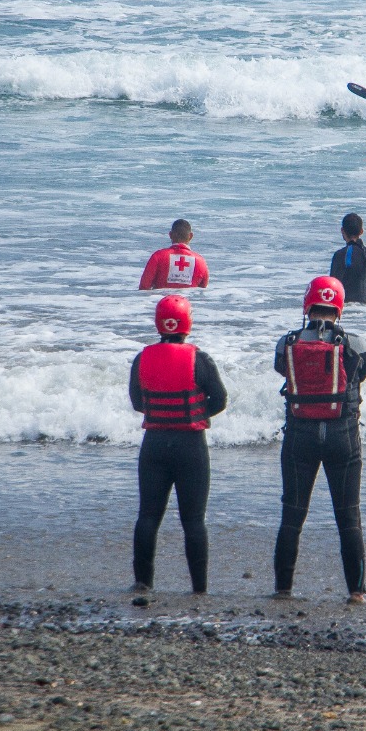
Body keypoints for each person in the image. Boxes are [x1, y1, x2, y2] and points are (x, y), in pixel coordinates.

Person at [271, 275, 366, 604]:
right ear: (339, 307)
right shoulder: (354, 343)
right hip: (343, 436)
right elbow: (361, 374)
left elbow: (282, 370)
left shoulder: (287, 343)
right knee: (348, 516)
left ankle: (283, 589)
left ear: (307, 304)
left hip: (300, 435)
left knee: (293, 514)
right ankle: (356, 592)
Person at [128, 293, 228, 597]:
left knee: (148, 516)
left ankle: (143, 582)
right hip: (191, 445)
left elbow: (137, 402)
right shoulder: (200, 359)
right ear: (188, 323)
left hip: (154, 444)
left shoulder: (142, 358)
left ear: (159, 323)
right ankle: (199, 588)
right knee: (194, 520)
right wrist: (196, 414)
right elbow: (220, 399)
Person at [138, 219, 210, 290]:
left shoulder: (158, 256)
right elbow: (202, 290)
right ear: (191, 236)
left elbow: (144, 287)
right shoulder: (201, 261)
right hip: (188, 298)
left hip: (162, 297)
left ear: (170, 235)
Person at [329, 213, 366, 304]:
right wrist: (364, 295)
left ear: (342, 230)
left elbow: (332, 286)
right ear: (361, 231)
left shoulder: (340, 255)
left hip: (344, 306)